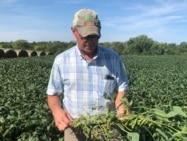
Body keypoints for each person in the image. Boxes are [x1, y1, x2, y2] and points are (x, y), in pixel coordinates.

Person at [46, 8, 129, 141]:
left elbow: (122, 87)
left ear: (100, 32)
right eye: (85, 36)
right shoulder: (62, 60)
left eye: (94, 36)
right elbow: (52, 93)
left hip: (108, 125)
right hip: (75, 127)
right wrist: (57, 111)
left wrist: (121, 104)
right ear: (74, 31)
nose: (90, 41)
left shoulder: (113, 58)